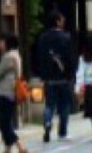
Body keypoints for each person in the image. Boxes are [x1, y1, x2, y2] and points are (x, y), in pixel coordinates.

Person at [32, 10, 75, 142]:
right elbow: (70, 58)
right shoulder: (66, 37)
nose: (63, 22)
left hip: (49, 78)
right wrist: (71, 74)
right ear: (57, 21)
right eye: (62, 20)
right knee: (64, 106)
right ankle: (62, 133)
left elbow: (38, 57)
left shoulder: (42, 38)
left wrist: (41, 73)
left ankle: (47, 122)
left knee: (49, 104)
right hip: (63, 77)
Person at [0, 33, 29, 153]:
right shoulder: (16, 55)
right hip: (11, 92)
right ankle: (7, 152)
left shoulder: (9, 57)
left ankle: (21, 148)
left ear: (7, 43)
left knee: (4, 123)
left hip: (6, 92)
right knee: (6, 122)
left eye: (1, 42)